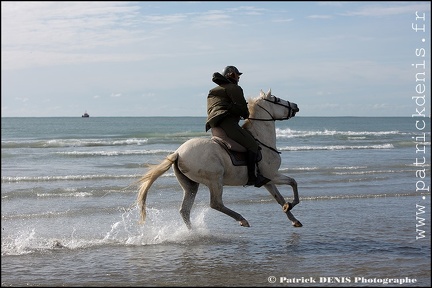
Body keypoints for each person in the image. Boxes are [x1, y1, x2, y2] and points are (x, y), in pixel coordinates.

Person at [205, 65, 270, 187]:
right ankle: (253, 178)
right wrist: (243, 112)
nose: (239, 78)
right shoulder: (234, 88)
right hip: (227, 122)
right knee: (252, 145)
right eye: (237, 75)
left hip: (215, 125)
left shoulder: (214, 90)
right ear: (231, 75)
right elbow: (244, 111)